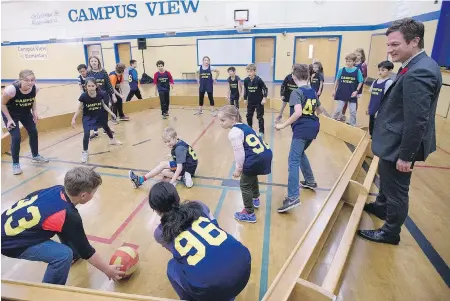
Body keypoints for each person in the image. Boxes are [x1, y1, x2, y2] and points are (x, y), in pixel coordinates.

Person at [357, 18, 442, 245]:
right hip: (393, 140)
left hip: (400, 145)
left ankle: (390, 232)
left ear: (414, 41)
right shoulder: (417, 64)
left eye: (395, 44)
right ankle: (381, 207)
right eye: (388, 44)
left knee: (397, 190)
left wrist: (406, 155)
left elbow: (417, 120)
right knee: (386, 179)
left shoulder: (420, 71)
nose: (389, 50)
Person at [1, 167, 125, 285]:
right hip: (10, 243)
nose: (94, 195)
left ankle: (74, 255)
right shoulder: (69, 215)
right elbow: (86, 251)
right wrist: (108, 270)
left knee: (65, 227)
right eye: (93, 192)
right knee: (63, 255)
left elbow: (29, 198)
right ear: (83, 195)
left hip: (5, 225)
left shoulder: (57, 189)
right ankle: (50, 292)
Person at [149, 182, 251, 301]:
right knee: (219, 258)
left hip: (212, 288)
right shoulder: (198, 205)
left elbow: (180, 256)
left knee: (172, 266)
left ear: (156, 210)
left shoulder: (160, 233)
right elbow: (215, 225)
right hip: (244, 266)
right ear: (177, 197)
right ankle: (228, 295)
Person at [275, 64, 324, 213]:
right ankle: (310, 181)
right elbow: (320, 110)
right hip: (314, 127)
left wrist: (282, 125)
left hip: (302, 130)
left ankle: (293, 197)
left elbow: (297, 113)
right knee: (300, 153)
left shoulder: (296, 92)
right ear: (308, 77)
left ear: (294, 78)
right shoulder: (312, 91)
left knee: (293, 160)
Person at [218, 105, 272, 223]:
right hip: (264, 154)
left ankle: (249, 212)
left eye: (223, 120)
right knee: (251, 177)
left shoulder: (233, 133)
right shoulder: (244, 126)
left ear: (233, 119)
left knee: (244, 184)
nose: (220, 123)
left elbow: (240, 154)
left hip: (255, 158)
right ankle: (255, 198)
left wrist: (239, 168)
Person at [1, 69, 49, 175]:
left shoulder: (35, 88)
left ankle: (35, 156)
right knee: (16, 137)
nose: (30, 83)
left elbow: (32, 99)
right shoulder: (11, 90)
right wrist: (9, 120)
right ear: (20, 80)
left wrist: (35, 111)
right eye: (27, 80)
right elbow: (2, 104)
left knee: (33, 132)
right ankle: (15, 164)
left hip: (25, 112)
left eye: (33, 80)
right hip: (10, 114)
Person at [71, 78, 122, 163]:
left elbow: (104, 105)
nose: (91, 88)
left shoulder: (100, 94)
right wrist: (74, 118)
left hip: (98, 115)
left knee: (106, 127)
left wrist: (111, 113)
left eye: (92, 86)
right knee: (86, 134)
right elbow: (80, 108)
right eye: (89, 86)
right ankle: (85, 152)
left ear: (96, 86)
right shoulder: (83, 96)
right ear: (86, 87)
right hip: (87, 117)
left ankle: (112, 140)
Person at [129, 127, 198, 189]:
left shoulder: (179, 149)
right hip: (190, 166)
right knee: (164, 172)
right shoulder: (179, 142)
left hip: (187, 167)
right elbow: (185, 154)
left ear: (175, 137)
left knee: (163, 164)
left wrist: (171, 182)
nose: (167, 144)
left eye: (169, 141)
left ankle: (140, 180)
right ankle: (183, 178)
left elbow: (179, 168)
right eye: (165, 142)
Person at [86, 56, 117, 137]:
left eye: (95, 61)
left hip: (104, 96)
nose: (94, 62)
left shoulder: (103, 72)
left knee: (104, 112)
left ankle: (105, 129)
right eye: (92, 61)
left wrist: (113, 95)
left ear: (98, 62)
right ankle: (95, 132)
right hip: (93, 97)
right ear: (90, 63)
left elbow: (109, 84)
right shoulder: (89, 73)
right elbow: (87, 85)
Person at [332, 53, 364, 126]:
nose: (348, 63)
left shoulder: (357, 71)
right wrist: (334, 90)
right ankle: (332, 121)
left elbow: (361, 81)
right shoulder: (341, 70)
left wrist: (356, 91)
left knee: (353, 111)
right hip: (342, 93)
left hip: (352, 94)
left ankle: (352, 124)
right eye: (347, 61)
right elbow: (337, 80)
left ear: (354, 62)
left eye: (349, 61)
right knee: (338, 110)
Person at [366, 61, 394, 136]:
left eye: (383, 70)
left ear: (390, 71)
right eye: (379, 70)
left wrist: (380, 110)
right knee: (371, 126)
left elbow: (387, 99)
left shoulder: (389, 82)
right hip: (373, 108)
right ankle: (371, 139)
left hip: (380, 111)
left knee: (378, 128)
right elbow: (371, 96)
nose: (380, 72)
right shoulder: (375, 82)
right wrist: (368, 107)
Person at [341, 48, 368, 119]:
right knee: (345, 100)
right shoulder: (351, 63)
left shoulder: (363, 65)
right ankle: (342, 114)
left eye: (358, 55)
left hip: (356, 87)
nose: (357, 56)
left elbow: (364, 77)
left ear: (362, 56)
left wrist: (358, 88)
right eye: (355, 54)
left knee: (353, 101)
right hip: (349, 84)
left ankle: (353, 116)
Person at [243, 63, 268, 139]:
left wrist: (264, 98)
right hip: (250, 102)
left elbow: (265, 89)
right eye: (248, 71)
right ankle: (249, 129)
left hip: (259, 102)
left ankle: (261, 131)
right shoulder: (246, 80)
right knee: (249, 116)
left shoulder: (259, 80)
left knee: (260, 117)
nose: (249, 73)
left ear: (254, 71)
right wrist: (245, 98)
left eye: (250, 71)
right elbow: (246, 90)